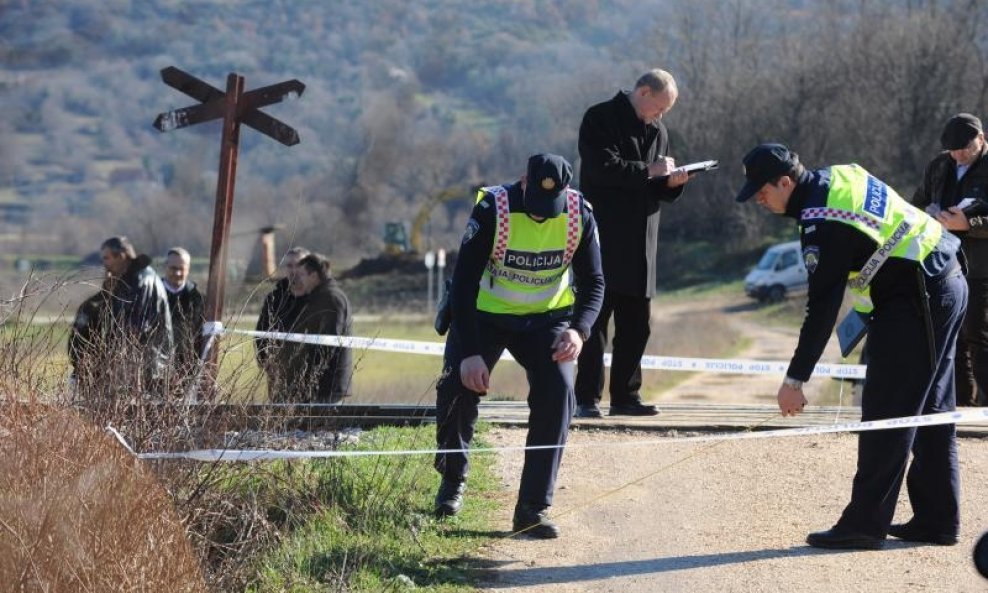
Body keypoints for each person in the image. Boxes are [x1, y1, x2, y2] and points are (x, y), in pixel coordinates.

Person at [735, 143, 967, 549]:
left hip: (918, 296)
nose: (758, 198)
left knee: (886, 410)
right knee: (930, 408)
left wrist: (795, 379)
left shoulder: (821, 219)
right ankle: (937, 519)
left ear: (785, 182)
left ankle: (864, 523)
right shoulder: (836, 177)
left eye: (762, 190)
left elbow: (821, 310)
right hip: (941, 276)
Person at [433, 153, 604, 539]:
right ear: (523, 182)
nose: (542, 215)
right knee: (456, 388)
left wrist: (579, 331)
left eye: (551, 207)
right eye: (535, 206)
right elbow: (462, 283)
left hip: (547, 320)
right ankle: (452, 480)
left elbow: (595, 282)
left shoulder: (580, 214)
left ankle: (532, 508)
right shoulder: (493, 209)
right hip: (483, 315)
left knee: (559, 393)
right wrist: (471, 352)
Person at [574, 69, 693, 418]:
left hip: (643, 242)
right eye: (659, 107)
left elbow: (656, 184)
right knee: (594, 324)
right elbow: (601, 169)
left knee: (636, 325)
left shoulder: (659, 130)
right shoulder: (599, 117)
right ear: (642, 92)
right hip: (603, 238)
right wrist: (649, 171)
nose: (661, 116)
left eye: (665, 111)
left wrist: (673, 184)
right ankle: (586, 399)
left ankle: (626, 397)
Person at [911, 113, 988, 407]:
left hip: (981, 269)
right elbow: (917, 204)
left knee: (979, 338)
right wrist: (928, 216)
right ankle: (959, 408)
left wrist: (969, 224)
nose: (957, 155)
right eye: (952, 149)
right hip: (942, 264)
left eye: (964, 149)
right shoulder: (939, 165)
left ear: (980, 139)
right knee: (951, 340)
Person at [267, 253, 353, 403]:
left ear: (313, 275)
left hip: (326, 385)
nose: (299, 279)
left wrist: (310, 373)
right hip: (317, 383)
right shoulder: (319, 297)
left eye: (302, 274)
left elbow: (329, 342)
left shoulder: (330, 298)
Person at [99, 236, 174, 393]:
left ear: (121, 256)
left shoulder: (142, 279)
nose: (105, 264)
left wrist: (116, 361)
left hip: (149, 365)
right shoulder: (129, 278)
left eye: (107, 258)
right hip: (140, 364)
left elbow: (136, 327)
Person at [255, 247, 309, 375]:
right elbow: (261, 333)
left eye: (299, 265)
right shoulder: (274, 298)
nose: (294, 270)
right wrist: (266, 362)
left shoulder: (319, 297)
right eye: (290, 266)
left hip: (312, 375)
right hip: (279, 374)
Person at [160, 247, 205, 380]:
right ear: (165, 267)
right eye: (173, 268)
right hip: (156, 369)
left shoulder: (198, 298)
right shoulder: (152, 295)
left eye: (182, 268)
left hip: (189, 370)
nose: (178, 273)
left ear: (188, 268)